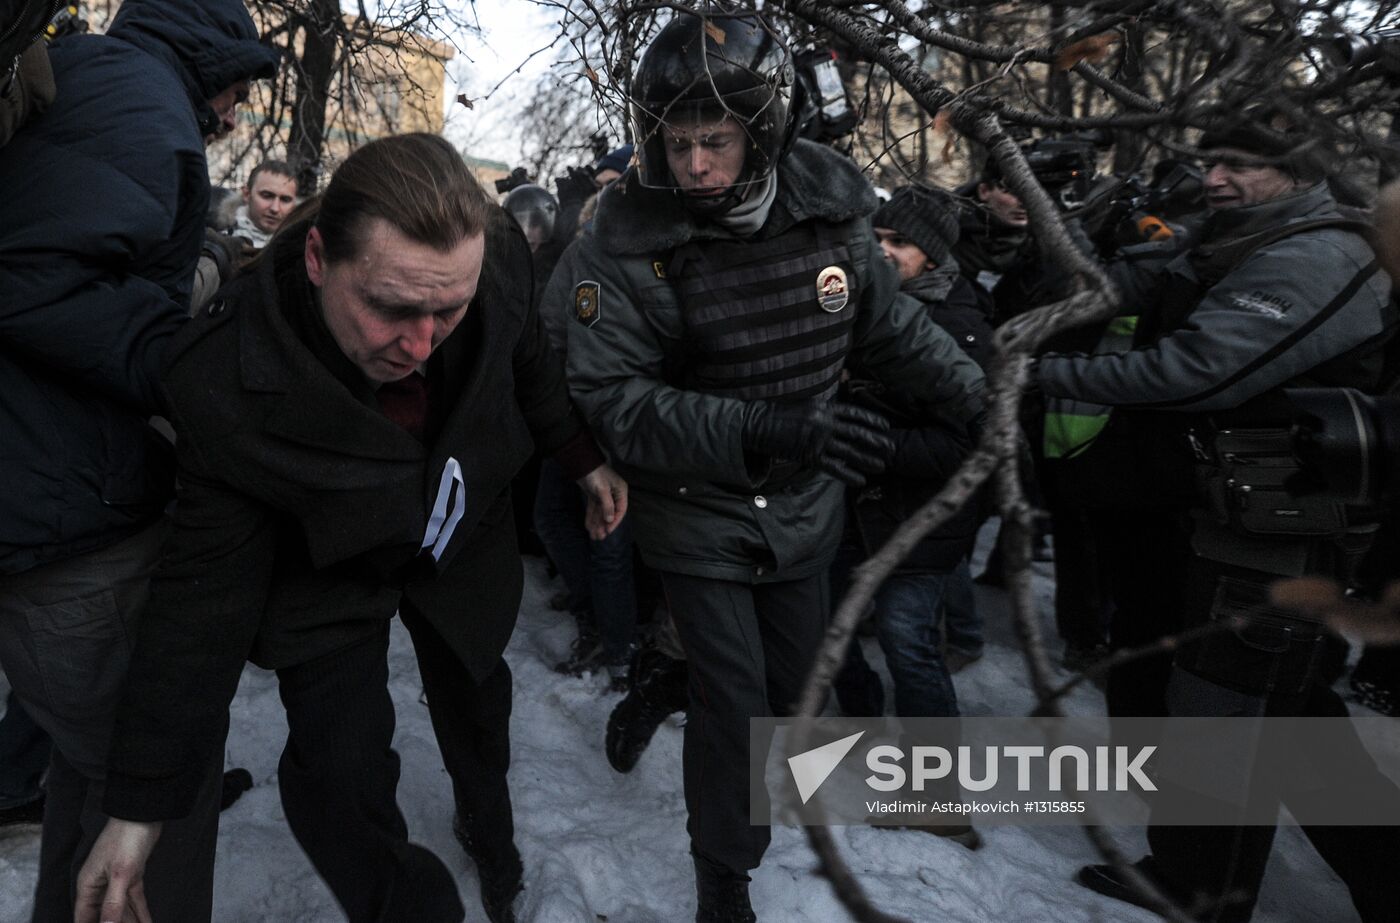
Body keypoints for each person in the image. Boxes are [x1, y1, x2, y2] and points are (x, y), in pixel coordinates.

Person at [75, 133, 627, 923]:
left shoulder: (493, 252)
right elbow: (200, 602)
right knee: (338, 772)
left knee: (475, 697)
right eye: (393, 308)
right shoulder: (224, 375)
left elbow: (526, 356)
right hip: (325, 559)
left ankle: (491, 834)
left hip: (459, 525)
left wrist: (580, 458)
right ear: (315, 259)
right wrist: (139, 806)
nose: (422, 344)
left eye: (449, 309)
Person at [550, 11, 985, 921]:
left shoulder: (830, 210)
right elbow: (614, 399)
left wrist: (982, 399)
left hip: (802, 506)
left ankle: (669, 678)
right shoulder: (624, 245)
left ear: (765, 128)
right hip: (697, 509)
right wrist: (764, 426)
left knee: (792, 690)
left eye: (715, 141)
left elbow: (888, 327)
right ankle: (725, 880)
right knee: (739, 710)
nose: (696, 166)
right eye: (677, 143)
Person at [1038, 110, 1400, 922]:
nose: (1215, 179)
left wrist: (1040, 371)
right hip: (1233, 522)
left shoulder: (1318, 254)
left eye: (1240, 165)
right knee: (1290, 723)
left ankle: (1204, 888)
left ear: (1300, 172)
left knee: (1229, 721)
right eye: (1212, 162)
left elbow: (1199, 371)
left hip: (1275, 538)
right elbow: (1140, 277)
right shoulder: (1243, 236)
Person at [0, 1, 277, 919]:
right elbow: (37, 282)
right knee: (157, 779)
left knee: (103, 766)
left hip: (51, 492)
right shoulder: (142, 105)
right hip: (64, 515)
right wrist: (185, 361)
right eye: (239, 84)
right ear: (207, 58)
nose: (238, 110)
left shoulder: (101, 81)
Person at [229, 158, 300, 248]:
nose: (275, 208)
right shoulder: (219, 240)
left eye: (285, 200)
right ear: (247, 194)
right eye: (267, 196)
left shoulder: (303, 249)